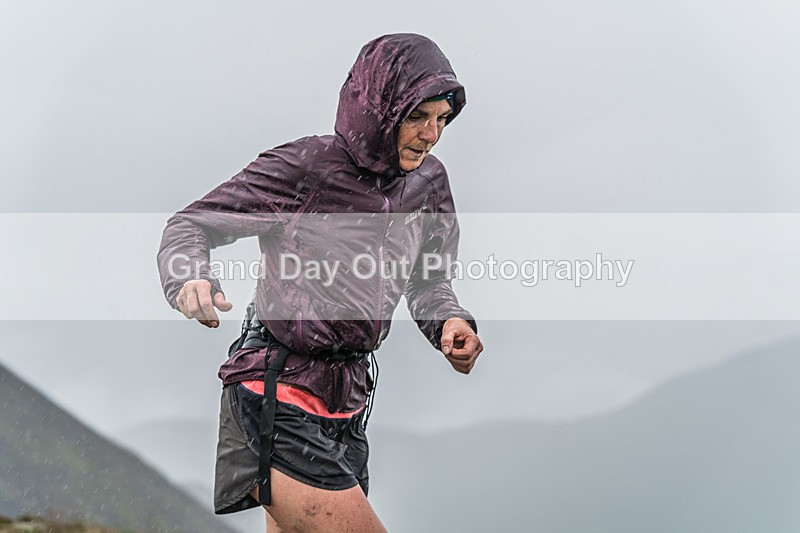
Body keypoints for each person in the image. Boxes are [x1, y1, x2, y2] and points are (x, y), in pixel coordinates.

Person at [158, 33, 483, 532]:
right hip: (277, 388)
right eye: (417, 117)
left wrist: (447, 322)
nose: (431, 134)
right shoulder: (307, 168)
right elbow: (192, 224)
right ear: (380, 108)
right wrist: (189, 278)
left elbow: (428, 279)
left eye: (442, 118)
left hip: (349, 402)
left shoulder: (428, 183)